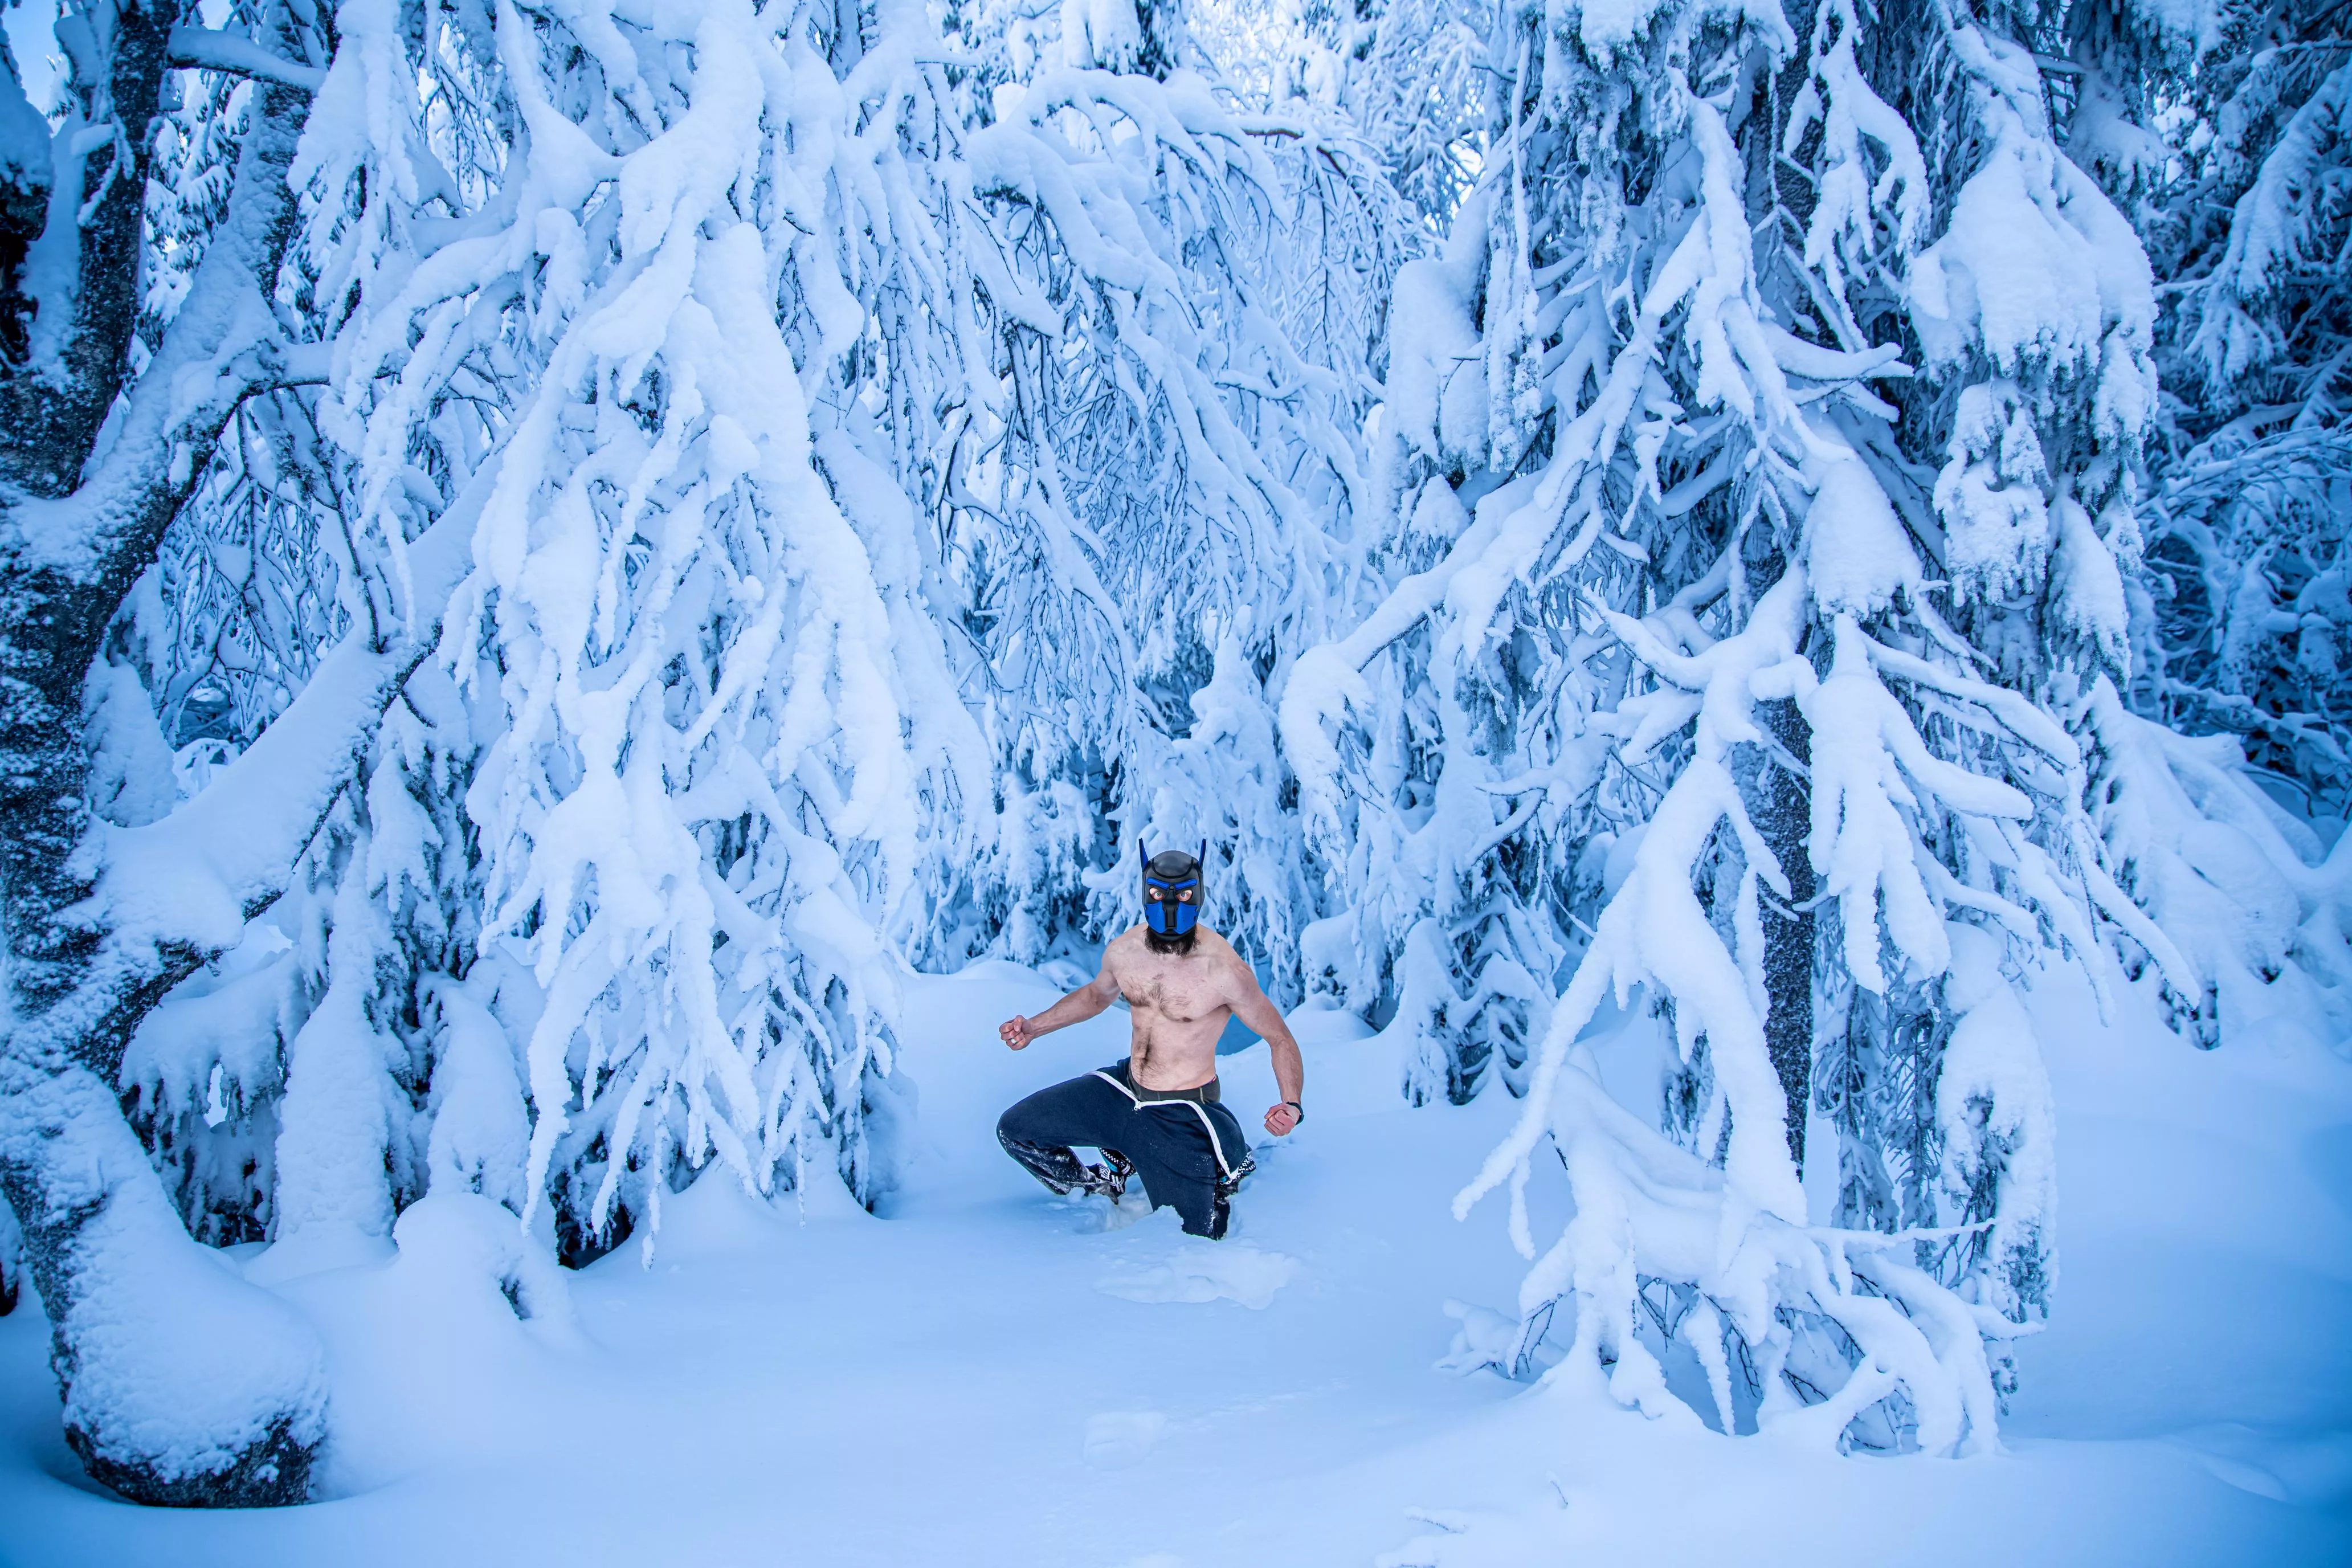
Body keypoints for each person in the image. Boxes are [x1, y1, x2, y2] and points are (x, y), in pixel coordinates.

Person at [995, 843, 1304, 1239]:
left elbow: (1279, 1038)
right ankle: (1096, 1187)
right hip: (1124, 1089)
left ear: (1199, 894)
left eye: (1183, 895)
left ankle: (1215, 1163)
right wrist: (1035, 1027)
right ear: (1146, 893)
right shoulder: (1126, 950)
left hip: (1180, 1110)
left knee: (1198, 1234)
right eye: (1159, 894)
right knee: (1017, 1130)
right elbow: (1095, 996)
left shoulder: (1224, 970)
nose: (1171, 904)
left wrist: (1292, 1104)